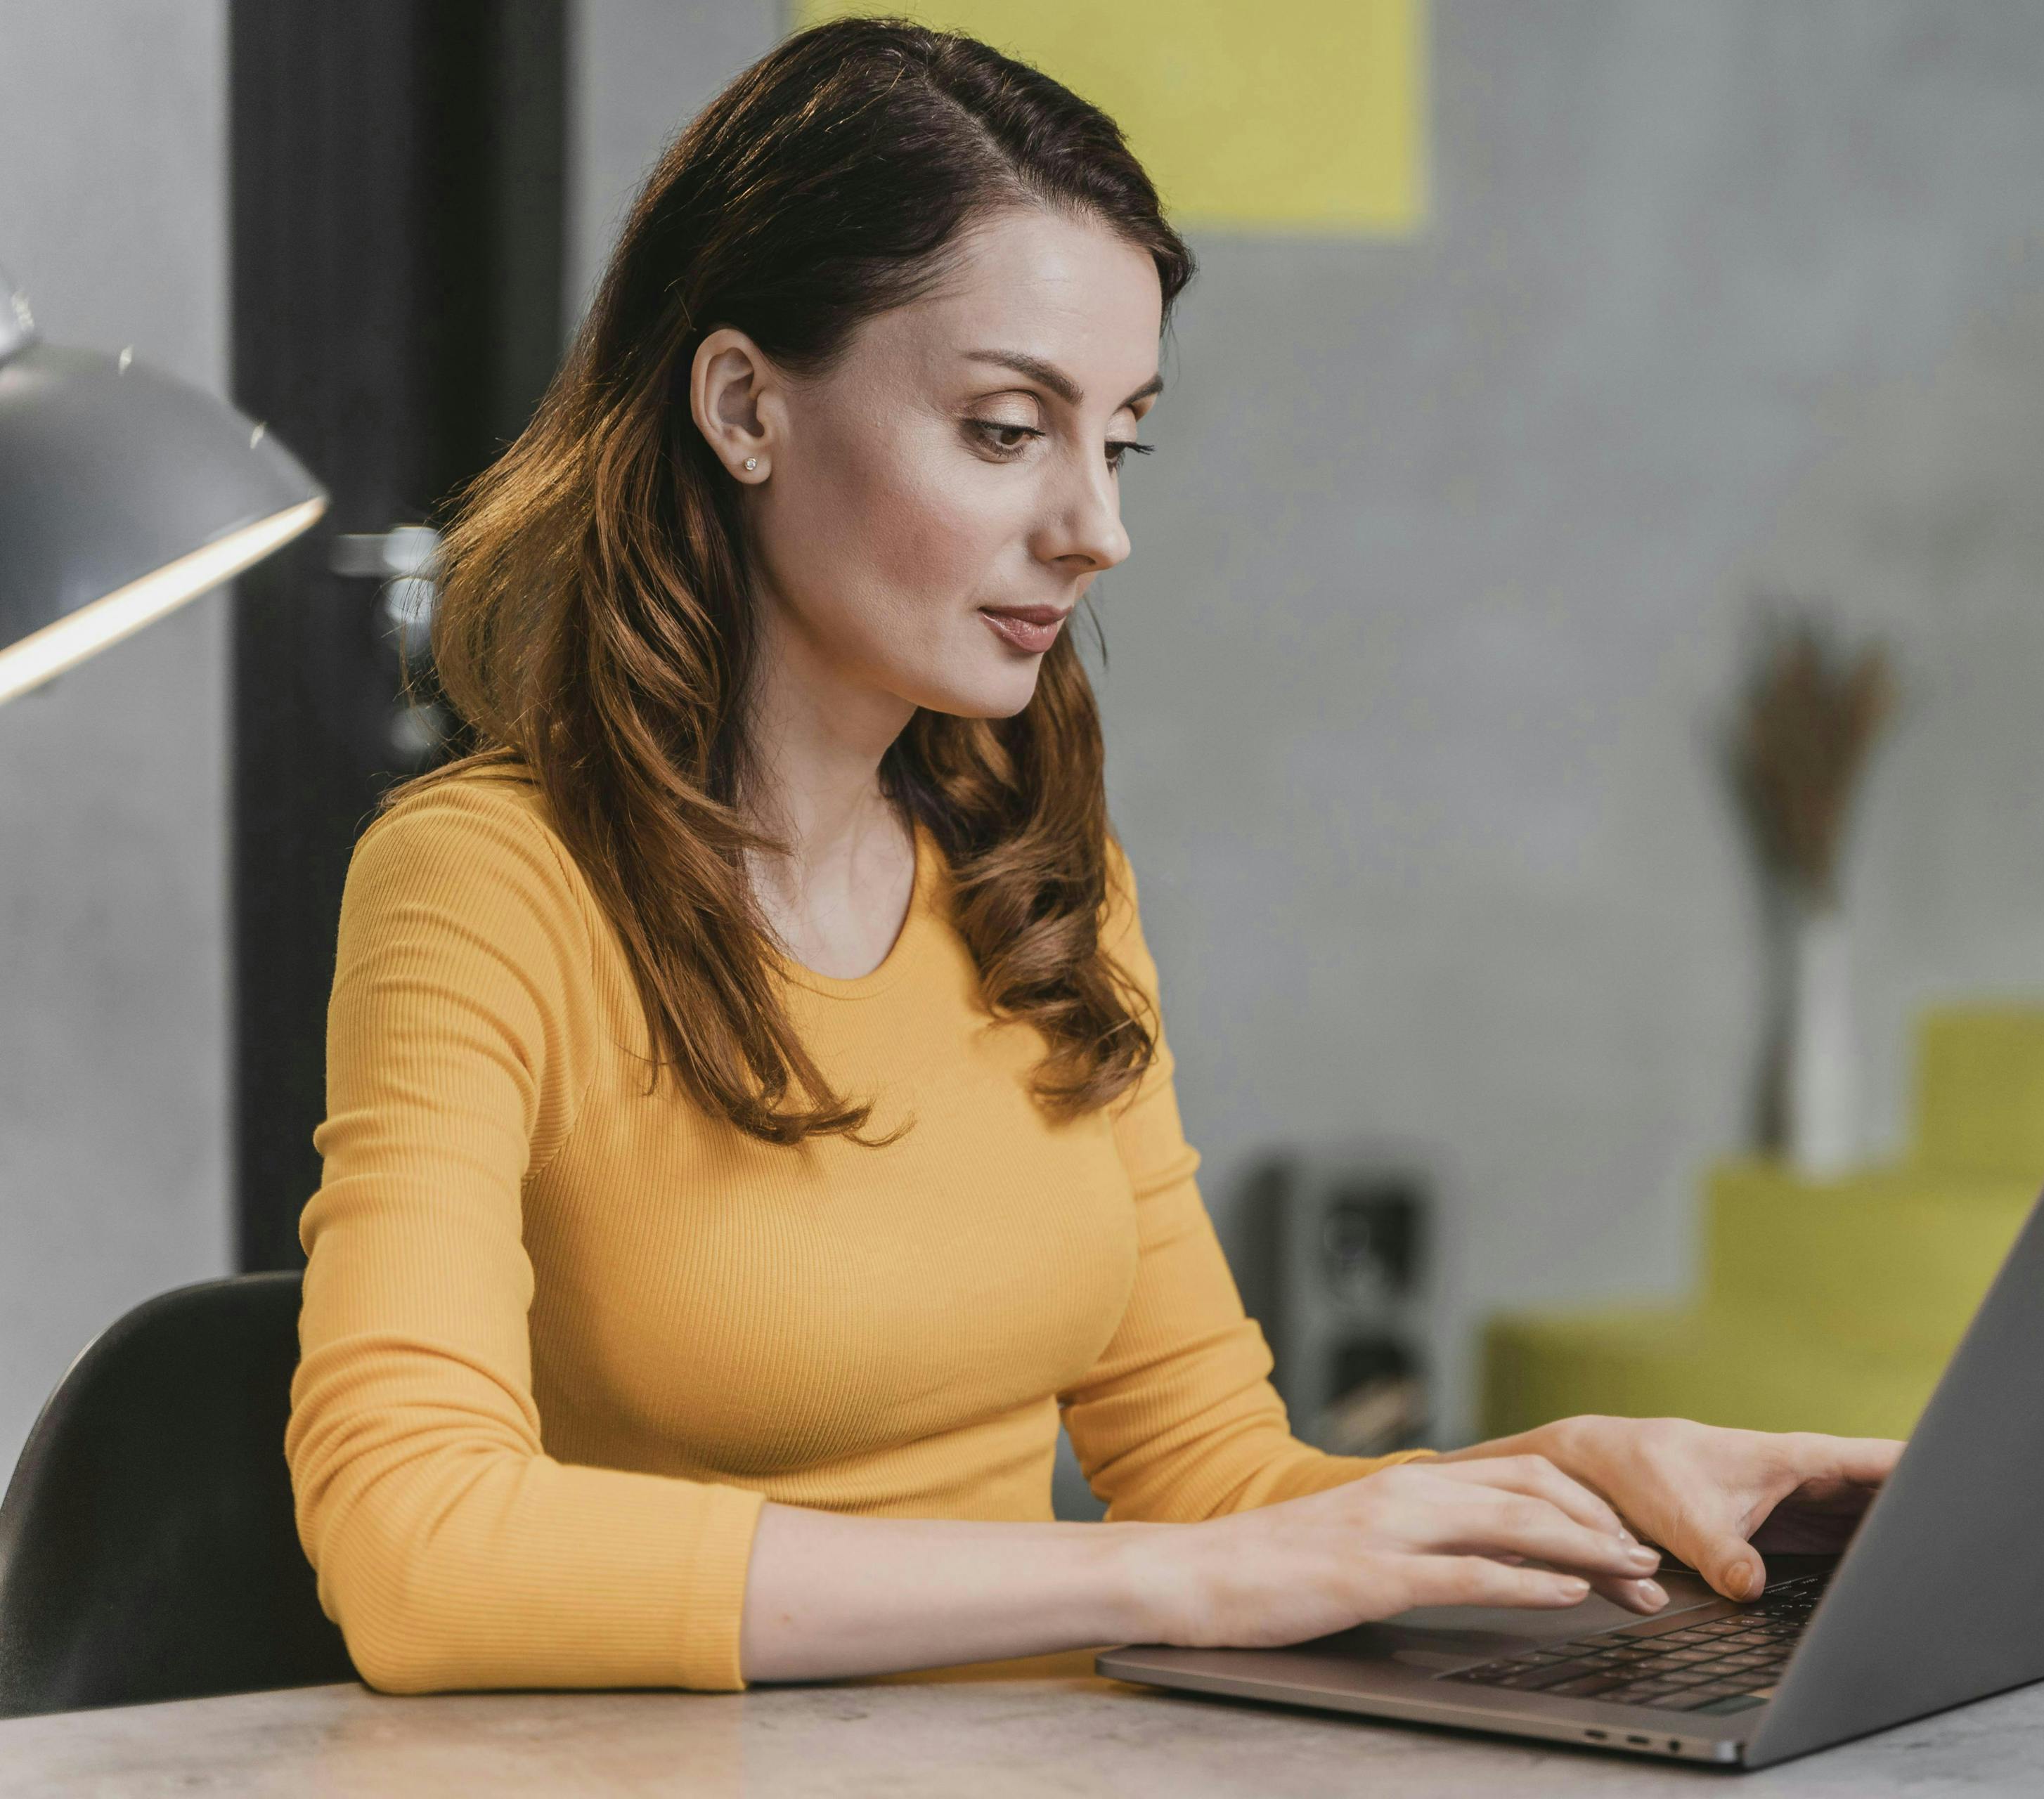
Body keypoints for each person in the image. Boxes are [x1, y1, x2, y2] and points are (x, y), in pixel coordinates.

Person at [286, 17, 1899, 1696]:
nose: (1096, 528)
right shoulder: (487, 886)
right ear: (747, 404)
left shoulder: (1036, 876)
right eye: (1005, 430)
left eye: (1119, 438)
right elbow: (421, 1551)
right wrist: (1158, 1573)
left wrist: (1570, 1483)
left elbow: (1219, 1484)